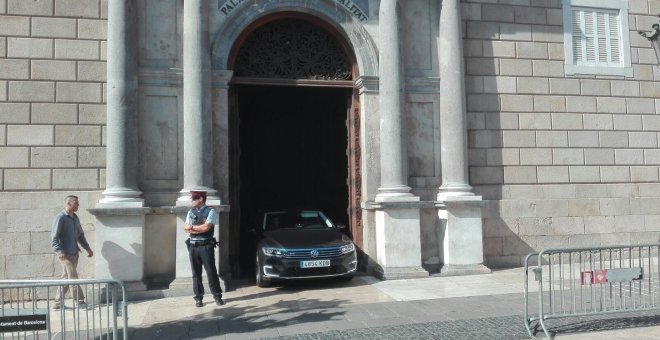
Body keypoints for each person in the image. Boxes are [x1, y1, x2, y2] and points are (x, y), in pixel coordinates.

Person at [51, 195, 93, 309]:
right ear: (68, 204)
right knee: (73, 276)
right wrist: (59, 251)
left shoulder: (75, 218)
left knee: (67, 277)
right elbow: (54, 237)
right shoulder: (60, 218)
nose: (78, 205)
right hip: (64, 255)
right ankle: (80, 302)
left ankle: (57, 303)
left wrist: (87, 248)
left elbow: (80, 235)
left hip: (74, 253)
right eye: (76, 203)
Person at [184, 190, 225, 307]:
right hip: (193, 246)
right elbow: (186, 228)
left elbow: (206, 228)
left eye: (194, 198)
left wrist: (192, 228)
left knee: (211, 272)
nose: (192, 201)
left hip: (206, 246)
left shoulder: (210, 211)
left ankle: (217, 296)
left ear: (201, 199)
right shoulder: (191, 211)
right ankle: (198, 298)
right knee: (196, 273)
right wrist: (195, 228)